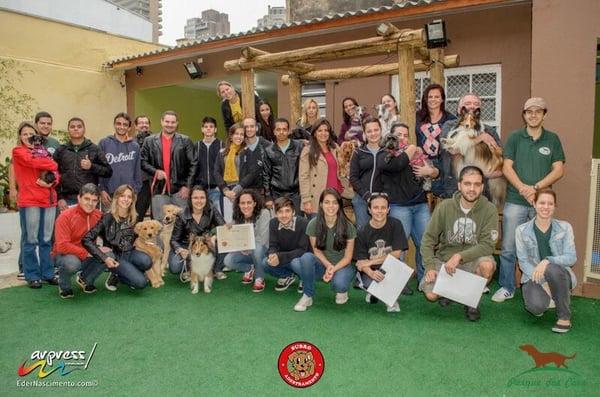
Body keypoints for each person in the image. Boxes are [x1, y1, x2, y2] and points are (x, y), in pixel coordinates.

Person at [493, 97, 565, 303]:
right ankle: (507, 287)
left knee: (544, 246)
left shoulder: (552, 139)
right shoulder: (515, 137)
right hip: (516, 200)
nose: (533, 115)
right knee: (508, 246)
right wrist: (524, 189)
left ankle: (543, 286)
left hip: (542, 202)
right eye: (529, 112)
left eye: (538, 111)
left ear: (544, 114)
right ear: (524, 115)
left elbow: (559, 169)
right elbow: (507, 168)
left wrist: (536, 188)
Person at [420, 166, 498, 321]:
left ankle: (470, 300)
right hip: (445, 260)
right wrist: (429, 266)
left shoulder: (489, 209)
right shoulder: (445, 206)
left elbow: (488, 245)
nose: (472, 188)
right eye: (467, 184)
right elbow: (428, 240)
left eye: (477, 184)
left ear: (482, 187)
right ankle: (452, 291)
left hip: (473, 260)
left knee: (487, 266)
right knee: (431, 295)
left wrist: (459, 256)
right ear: (459, 185)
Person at [515, 188, 576, 333]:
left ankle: (564, 317)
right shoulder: (521, 230)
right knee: (536, 307)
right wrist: (543, 281)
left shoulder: (565, 227)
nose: (546, 207)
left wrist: (547, 260)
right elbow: (523, 261)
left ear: (555, 206)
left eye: (550, 204)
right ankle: (556, 295)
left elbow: (571, 258)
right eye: (542, 203)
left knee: (552, 267)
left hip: (560, 273)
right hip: (534, 276)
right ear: (534, 204)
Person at [378, 121, 431, 287]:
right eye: (398, 135)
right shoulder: (385, 155)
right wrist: (412, 148)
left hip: (420, 205)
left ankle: (425, 280)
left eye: (406, 135)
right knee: (398, 248)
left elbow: (434, 172)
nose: (402, 138)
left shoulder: (416, 154)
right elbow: (399, 164)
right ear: (391, 137)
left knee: (425, 244)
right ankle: (397, 284)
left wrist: (430, 171)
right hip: (399, 206)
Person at [12, 122, 60, 288]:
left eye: (31, 134)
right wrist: (49, 163)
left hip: (48, 200)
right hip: (30, 201)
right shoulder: (18, 151)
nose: (28, 137)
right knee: (30, 240)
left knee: (46, 240)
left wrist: (51, 183)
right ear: (20, 136)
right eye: (24, 134)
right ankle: (32, 274)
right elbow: (36, 163)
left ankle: (47, 273)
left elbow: (55, 171)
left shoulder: (43, 152)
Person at [295, 188, 357, 311]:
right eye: (327, 202)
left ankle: (341, 289)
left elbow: (348, 258)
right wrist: (328, 265)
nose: (331, 206)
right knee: (305, 258)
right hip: (323, 265)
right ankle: (308, 295)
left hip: (342, 265)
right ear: (321, 205)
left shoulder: (348, 226)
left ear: (339, 205)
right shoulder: (313, 224)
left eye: (335, 202)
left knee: (339, 284)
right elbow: (316, 251)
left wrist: (333, 269)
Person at [82, 184, 152, 290]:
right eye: (123, 196)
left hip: (129, 253)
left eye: (129, 197)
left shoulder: (135, 217)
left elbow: (136, 237)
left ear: (133, 200)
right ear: (116, 198)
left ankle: (122, 274)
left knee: (147, 261)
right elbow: (86, 239)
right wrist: (104, 258)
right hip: (115, 257)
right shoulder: (107, 217)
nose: (126, 199)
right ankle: (118, 274)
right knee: (141, 283)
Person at [434, 93, 502, 199]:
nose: (472, 106)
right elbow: (452, 149)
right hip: (454, 188)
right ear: (459, 110)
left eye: (476, 104)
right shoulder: (449, 126)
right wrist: (480, 138)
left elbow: (499, 157)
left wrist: (488, 174)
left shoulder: (490, 131)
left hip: (482, 189)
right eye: (468, 103)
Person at [355, 193, 408, 312]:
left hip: (391, 266)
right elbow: (361, 262)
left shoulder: (396, 224)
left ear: (388, 209)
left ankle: (389, 297)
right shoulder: (362, 231)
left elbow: (396, 254)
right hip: (371, 270)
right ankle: (375, 291)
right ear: (369, 209)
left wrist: (370, 262)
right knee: (370, 282)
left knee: (402, 271)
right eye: (375, 207)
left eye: (383, 207)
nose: (379, 211)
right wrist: (371, 272)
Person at [140, 110, 196, 222]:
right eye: (167, 121)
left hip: (180, 191)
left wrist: (187, 186)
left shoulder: (185, 141)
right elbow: (142, 161)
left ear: (177, 123)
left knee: (183, 223)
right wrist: (155, 172)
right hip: (158, 191)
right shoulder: (149, 141)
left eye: (173, 122)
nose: (169, 125)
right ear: (161, 122)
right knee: (159, 225)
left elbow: (193, 164)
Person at [53, 183, 105, 298]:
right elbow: (62, 246)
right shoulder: (65, 216)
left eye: (94, 200)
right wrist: (87, 252)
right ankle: (64, 285)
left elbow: (110, 235)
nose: (90, 203)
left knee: (109, 253)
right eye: (86, 199)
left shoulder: (99, 215)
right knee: (72, 263)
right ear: (79, 198)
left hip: (87, 253)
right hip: (65, 255)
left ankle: (86, 279)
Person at [53, 117, 112, 211]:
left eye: (79, 126)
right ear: (68, 130)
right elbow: (54, 175)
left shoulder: (94, 149)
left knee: (91, 226)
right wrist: (60, 198)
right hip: (67, 199)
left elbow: (108, 171)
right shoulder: (61, 150)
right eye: (72, 127)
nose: (76, 129)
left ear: (84, 129)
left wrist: (91, 166)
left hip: (90, 198)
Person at [169, 185, 226, 279]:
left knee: (223, 239)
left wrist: (214, 237)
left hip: (206, 244)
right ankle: (190, 269)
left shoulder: (212, 209)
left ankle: (216, 269)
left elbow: (224, 228)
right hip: (186, 245)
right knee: (175, 268)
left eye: (202, 197)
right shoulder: (182, 214)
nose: (199, 201)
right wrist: (180, 250)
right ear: (190, 199)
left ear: (206, 199)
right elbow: (174, 240)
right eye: (195, 198)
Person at [257, 196, 309, 293]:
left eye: (287, 211)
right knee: (265, 262)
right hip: (285, 258)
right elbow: (273, 245)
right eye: (280, 212)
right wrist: (272, 254)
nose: (284, 215)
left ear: (293, 212)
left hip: (299, 258)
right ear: (276, 214)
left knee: (296, 263)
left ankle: (304, 279)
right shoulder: (273, 223)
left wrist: (279, 256)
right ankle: (286, 276)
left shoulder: (303, 223)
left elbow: (303, 250)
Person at [223, 189, 271, 291]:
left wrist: (247, 246)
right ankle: (250, 269)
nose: (246, 206)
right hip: (246, 250)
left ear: (254, 203)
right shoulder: (237, 216)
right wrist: (228, 228)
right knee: (228, 260)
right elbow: (233, 232)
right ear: (238, 205)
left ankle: (259, 277)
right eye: (242, 203)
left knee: (257, 249)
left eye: (249, 202)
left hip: (262, 250)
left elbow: (262, 238)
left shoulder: (264, 213)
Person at [299, 118, 345, 218]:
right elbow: (303, 177)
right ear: (314, 133)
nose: (323, 133)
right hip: (316, 198)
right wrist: (306, 200)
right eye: (320, 130)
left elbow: (341, 168)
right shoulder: (307, 151)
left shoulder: (335, 148)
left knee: (334, 230)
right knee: (317, 231)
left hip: (335, 196)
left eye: (326, 130)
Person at [98, 112, 142, 210]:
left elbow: (137, 171)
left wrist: (135, 191)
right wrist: (101, 190)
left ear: (129, 128)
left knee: (127, 224)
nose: (121, 127)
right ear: (114, 125)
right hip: (109, 194)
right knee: (108, 223)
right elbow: (99, 169)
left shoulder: (135, 146)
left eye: (125, 124)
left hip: (128, 195)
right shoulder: (104, 143)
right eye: (118, 124)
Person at [349, 116, 385, 231]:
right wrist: (367, 196)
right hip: (362, 199)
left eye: (376, 130)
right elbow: (353, 177)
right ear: (364, 133)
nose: (373, 133)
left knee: (382, 233)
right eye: (369, 131)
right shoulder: (358, 153)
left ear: (381, 130)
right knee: (363, 232)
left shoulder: (388, 151)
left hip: (383, 200)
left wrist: (382, 197)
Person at [263, 118, 304, 213]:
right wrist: (268, 196)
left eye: (284, 129)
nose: (281, 132)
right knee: (279, 223)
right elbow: (266, 175)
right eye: (278, 129)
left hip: (296, 194)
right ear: (274, 131)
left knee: (297, 222)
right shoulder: (269, 150)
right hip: (277, 194)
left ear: (289, 131)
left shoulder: (299, 147)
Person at [415, 83, 456, 162]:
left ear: (442, 99)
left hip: (443, 162)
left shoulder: (450, 119)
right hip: (420, 161)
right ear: (426, 99)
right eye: (430, 97)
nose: (433, 99)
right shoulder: (417, 117)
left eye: (437, 97)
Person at [214, 123, 246, 222]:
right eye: (236, 134)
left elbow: (249, 174)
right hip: (225, 192)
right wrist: (225, 190)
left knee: (242, 221)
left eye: (242, 134)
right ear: (231, 136)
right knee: (228, 222)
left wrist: (235, 191)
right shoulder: (222, 152)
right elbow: (216, 172)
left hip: (242, 190)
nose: (239, 136)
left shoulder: (246, 151)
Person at [191, 116, 223, 213]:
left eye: (211, 126)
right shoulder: (196, 146)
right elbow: (192, 168)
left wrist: (221, 185)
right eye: (206, 126)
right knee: (202, 217)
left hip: (217, 189)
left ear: (215, 129)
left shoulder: (222, 145)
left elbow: (225, 168)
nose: (208, 128)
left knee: (217, 217)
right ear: (202, 129)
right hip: (200, 190)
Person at [134, 115, 153, 222]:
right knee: (138, 214)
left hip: (156, 182)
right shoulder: (131, 143)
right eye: (141, 123)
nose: (144, 125)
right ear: (136, 126)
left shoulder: (156, 141)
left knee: (157, 214)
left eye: (146, 123)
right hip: (141, 183)